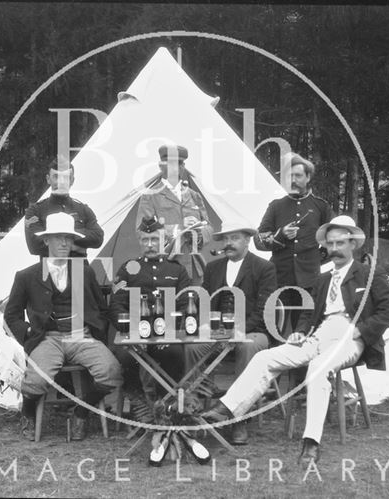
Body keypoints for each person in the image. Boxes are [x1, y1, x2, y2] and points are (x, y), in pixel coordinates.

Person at [202, 215, 389, 465]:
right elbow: (308, 312)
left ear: (353, 244)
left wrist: (361, 330)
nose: (335, 249)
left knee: (317, 368)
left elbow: (388, 313)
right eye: (330, 244)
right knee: (265, 357)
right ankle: (226, 410)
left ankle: (311, 442)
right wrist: (300, 331)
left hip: (351, 336)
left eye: (340, 243)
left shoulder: (369, 274)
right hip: (319, 335)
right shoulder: (323, 279)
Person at [5, 212, 122, 441]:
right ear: (46, 241)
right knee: (36, 382)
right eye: (58, 238)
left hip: (82, 336)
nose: (63, 243)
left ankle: (81, 412)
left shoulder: (85, 271)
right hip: (48, 338)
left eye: (68, 238)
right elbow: (12, 315)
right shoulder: (26, 276)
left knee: (112, 373)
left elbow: (101, 308)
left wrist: (104, 332)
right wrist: (28, 333)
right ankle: (27, 412)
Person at [187, 221, 277, 445]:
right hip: (218, 333)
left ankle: (239, 418)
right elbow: (205, 302)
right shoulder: (213, 268)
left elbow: (265, 309)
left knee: (249, 347)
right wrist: (206, 324)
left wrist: (240, 331)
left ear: (247, 241)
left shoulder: (264, 268)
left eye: (234, 238)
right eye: (226, 239)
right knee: (192, 346)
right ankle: (194, 408)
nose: (229, 243)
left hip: (253, 330)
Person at [109, 216, 191, 412]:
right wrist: (132, 331)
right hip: (134, 335)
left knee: (174, 353)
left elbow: (186, 305)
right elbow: (116, 306)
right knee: (126, 356)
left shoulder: (177, 270)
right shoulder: (129, 268)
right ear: (139, 242)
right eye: (145, 240)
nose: (150, 245)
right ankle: (139, 406)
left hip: (166, 335)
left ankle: (166, 404)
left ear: (163, 240)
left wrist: (168, 331)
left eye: (154, 239)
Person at [255, 153, 332, 332]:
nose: (293, 180)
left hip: (310, 279)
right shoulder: (276, 206)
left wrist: (314, 260)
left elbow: (331, 242)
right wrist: (280, 235)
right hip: (278, 278)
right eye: (289, 176)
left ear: (308, 177)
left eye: (298, 175)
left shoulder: (321, 207)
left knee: (305, 327)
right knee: (274, 326)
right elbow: (259, 240)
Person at [135, 144, 214, 283]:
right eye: (171, 163)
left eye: (180, 163)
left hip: (194, 266)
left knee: (193, 303)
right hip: (165, 264)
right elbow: (142, 232)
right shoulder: (150, 196)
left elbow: (209, 227)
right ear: (161, 166)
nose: (177, 167)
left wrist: (198, 233)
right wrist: (178, 230)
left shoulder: (194, 195)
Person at [24, 160, 104, 258]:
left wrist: (53, 237)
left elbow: (98, 238)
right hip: (49, 269)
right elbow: (34, 246)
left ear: (72, 181)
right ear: (48, 179)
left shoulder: (83, 209)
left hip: (79, 269)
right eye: (56, 177)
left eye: (66, 177)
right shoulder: (35, 211)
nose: (61, 182)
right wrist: (78, 246)